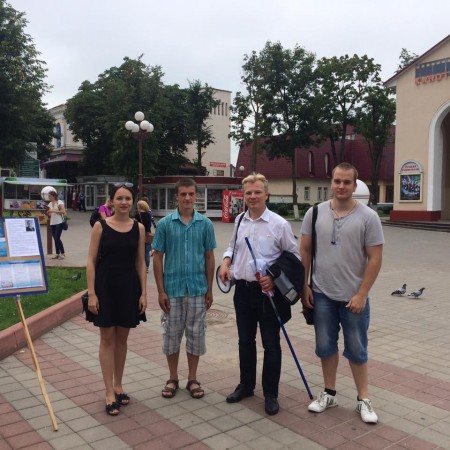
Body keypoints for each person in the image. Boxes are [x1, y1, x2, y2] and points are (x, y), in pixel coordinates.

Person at [300, 162, 384, 424]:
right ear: (331, 182)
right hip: (322, 293)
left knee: (357, 349)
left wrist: (362, 293)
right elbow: (304, 250)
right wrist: (305, 285)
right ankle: (329, 393)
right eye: (337, 181)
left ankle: (363, 399)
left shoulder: (368, 217)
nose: (341, 186)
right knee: (325, 347)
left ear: (355, 184)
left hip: (353, 297)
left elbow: (375, 258)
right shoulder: (314, 213)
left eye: (347, 182)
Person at [218, 173, 300, 416]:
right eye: (248, 193)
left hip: (268, 294)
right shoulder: (240, 219)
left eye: (257, 192)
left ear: (266, 194)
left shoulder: (279, 224)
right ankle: (246, 385)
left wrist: (273, 277)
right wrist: (225, 261)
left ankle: (271, 394)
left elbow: (294, 258)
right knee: (245, 341)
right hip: (242, 291)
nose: (252, 196)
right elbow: (233, 246)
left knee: (271, 344)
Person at [85, 184, 147, 416]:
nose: (123, 202)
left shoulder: (138, 228)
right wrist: (92, 293)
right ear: (111, 201)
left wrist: (144, 292)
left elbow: (141, 262)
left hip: (128, 288)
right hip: (105, 288)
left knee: (122, 339)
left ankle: (119, 385)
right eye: (119, 198)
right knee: (107, 338)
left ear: (132, 202)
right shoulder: (100, 226)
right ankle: (109, 391)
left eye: (127, 198)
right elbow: (91, 261)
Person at [152, 178, 216, 400]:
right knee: (171, 335)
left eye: (191, 194)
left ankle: (192, 378)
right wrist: (160, 291)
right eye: (183, 194)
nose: (187, 198)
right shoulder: (165, 225)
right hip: (173, 290)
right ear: (176, 196)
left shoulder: (205, 224)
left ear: (196, 196)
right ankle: (172, 377)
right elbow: (157, 258)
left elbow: (210, 257)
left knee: (196, 335)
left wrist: (210, 289)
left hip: (197, 289)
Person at [135, 200, 154, 273]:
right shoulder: (149, 214)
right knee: (147, 252)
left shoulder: (138, 215)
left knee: (139, 251)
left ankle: (140, 266)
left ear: (140, 206)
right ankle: (146, 267)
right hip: (148, 234)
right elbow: (149, 225)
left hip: (140, 234)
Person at [47, 190, 66, 260]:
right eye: (48, 196)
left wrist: (53, 211)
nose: (49, 197)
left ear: (54, 196)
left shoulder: (59, 202)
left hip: (59, 222)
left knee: (57, 238)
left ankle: (63, 253)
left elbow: (63, 211)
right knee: (55, 238)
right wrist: (48, 212)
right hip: (52, 222)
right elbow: (50, 214)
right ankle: (57, 253)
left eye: (50, 196)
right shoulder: (49, 204)